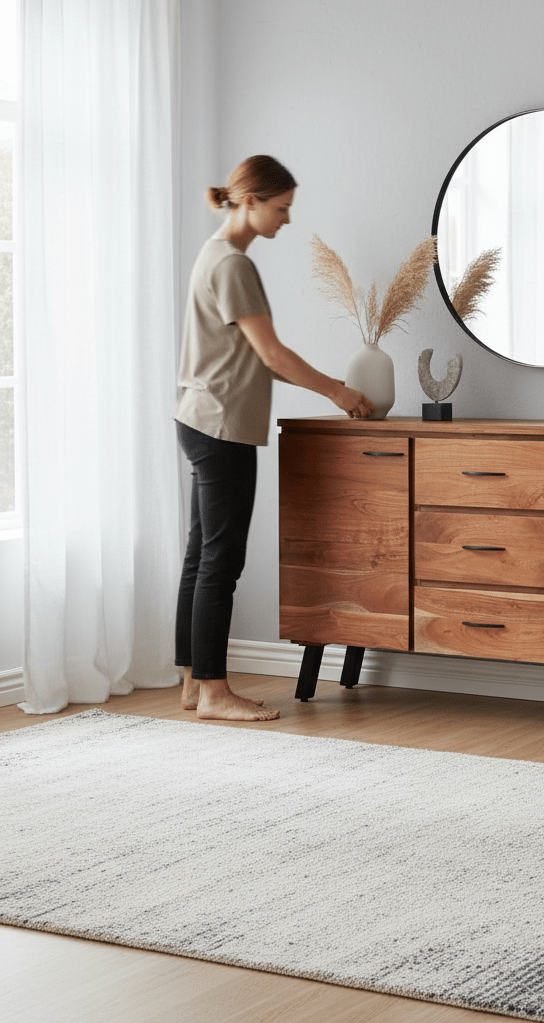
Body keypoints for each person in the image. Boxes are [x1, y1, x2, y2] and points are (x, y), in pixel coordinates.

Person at [174, 155, 372, 722]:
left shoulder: (214, 254)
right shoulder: (233, 265)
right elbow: (274, 353)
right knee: (220, 561)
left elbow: (262, 359)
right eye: (281, 208)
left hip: (197, 416)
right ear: (251, 200)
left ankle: (193, 680)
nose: (286, 220)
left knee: (200, 555)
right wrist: (338, 390)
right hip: (222, 426)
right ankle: (213, 690)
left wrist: (331, 390)